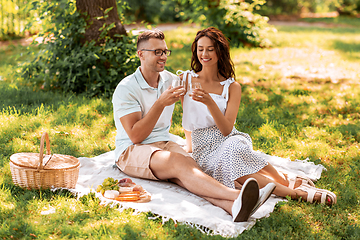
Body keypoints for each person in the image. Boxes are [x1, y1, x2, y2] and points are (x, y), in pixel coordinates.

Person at [112, 29, 275, 222]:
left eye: (165, 51)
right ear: (141, 54)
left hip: (163, 144)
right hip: (132, 150)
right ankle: (238, 196)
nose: (163, 56)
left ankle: (233, 208)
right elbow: (135, 137)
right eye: (157, 52)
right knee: (179, 163)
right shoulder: (126, 88)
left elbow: (193, 105)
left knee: (193, 173)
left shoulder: (171, 80)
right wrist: (160, 103)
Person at [179, 27, 336, 206]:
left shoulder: (232, 87)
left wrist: (210, 103)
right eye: (200, 49)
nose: (204, 54)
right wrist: (189, 145)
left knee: (232, 150)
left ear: (219, 51)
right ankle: (288, 187)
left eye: (210, 49)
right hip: (204, 148)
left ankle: (290, 190)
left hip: (228, 138)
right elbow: (187, 116)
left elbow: (227, 129)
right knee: (233, 169)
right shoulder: (186, 79)